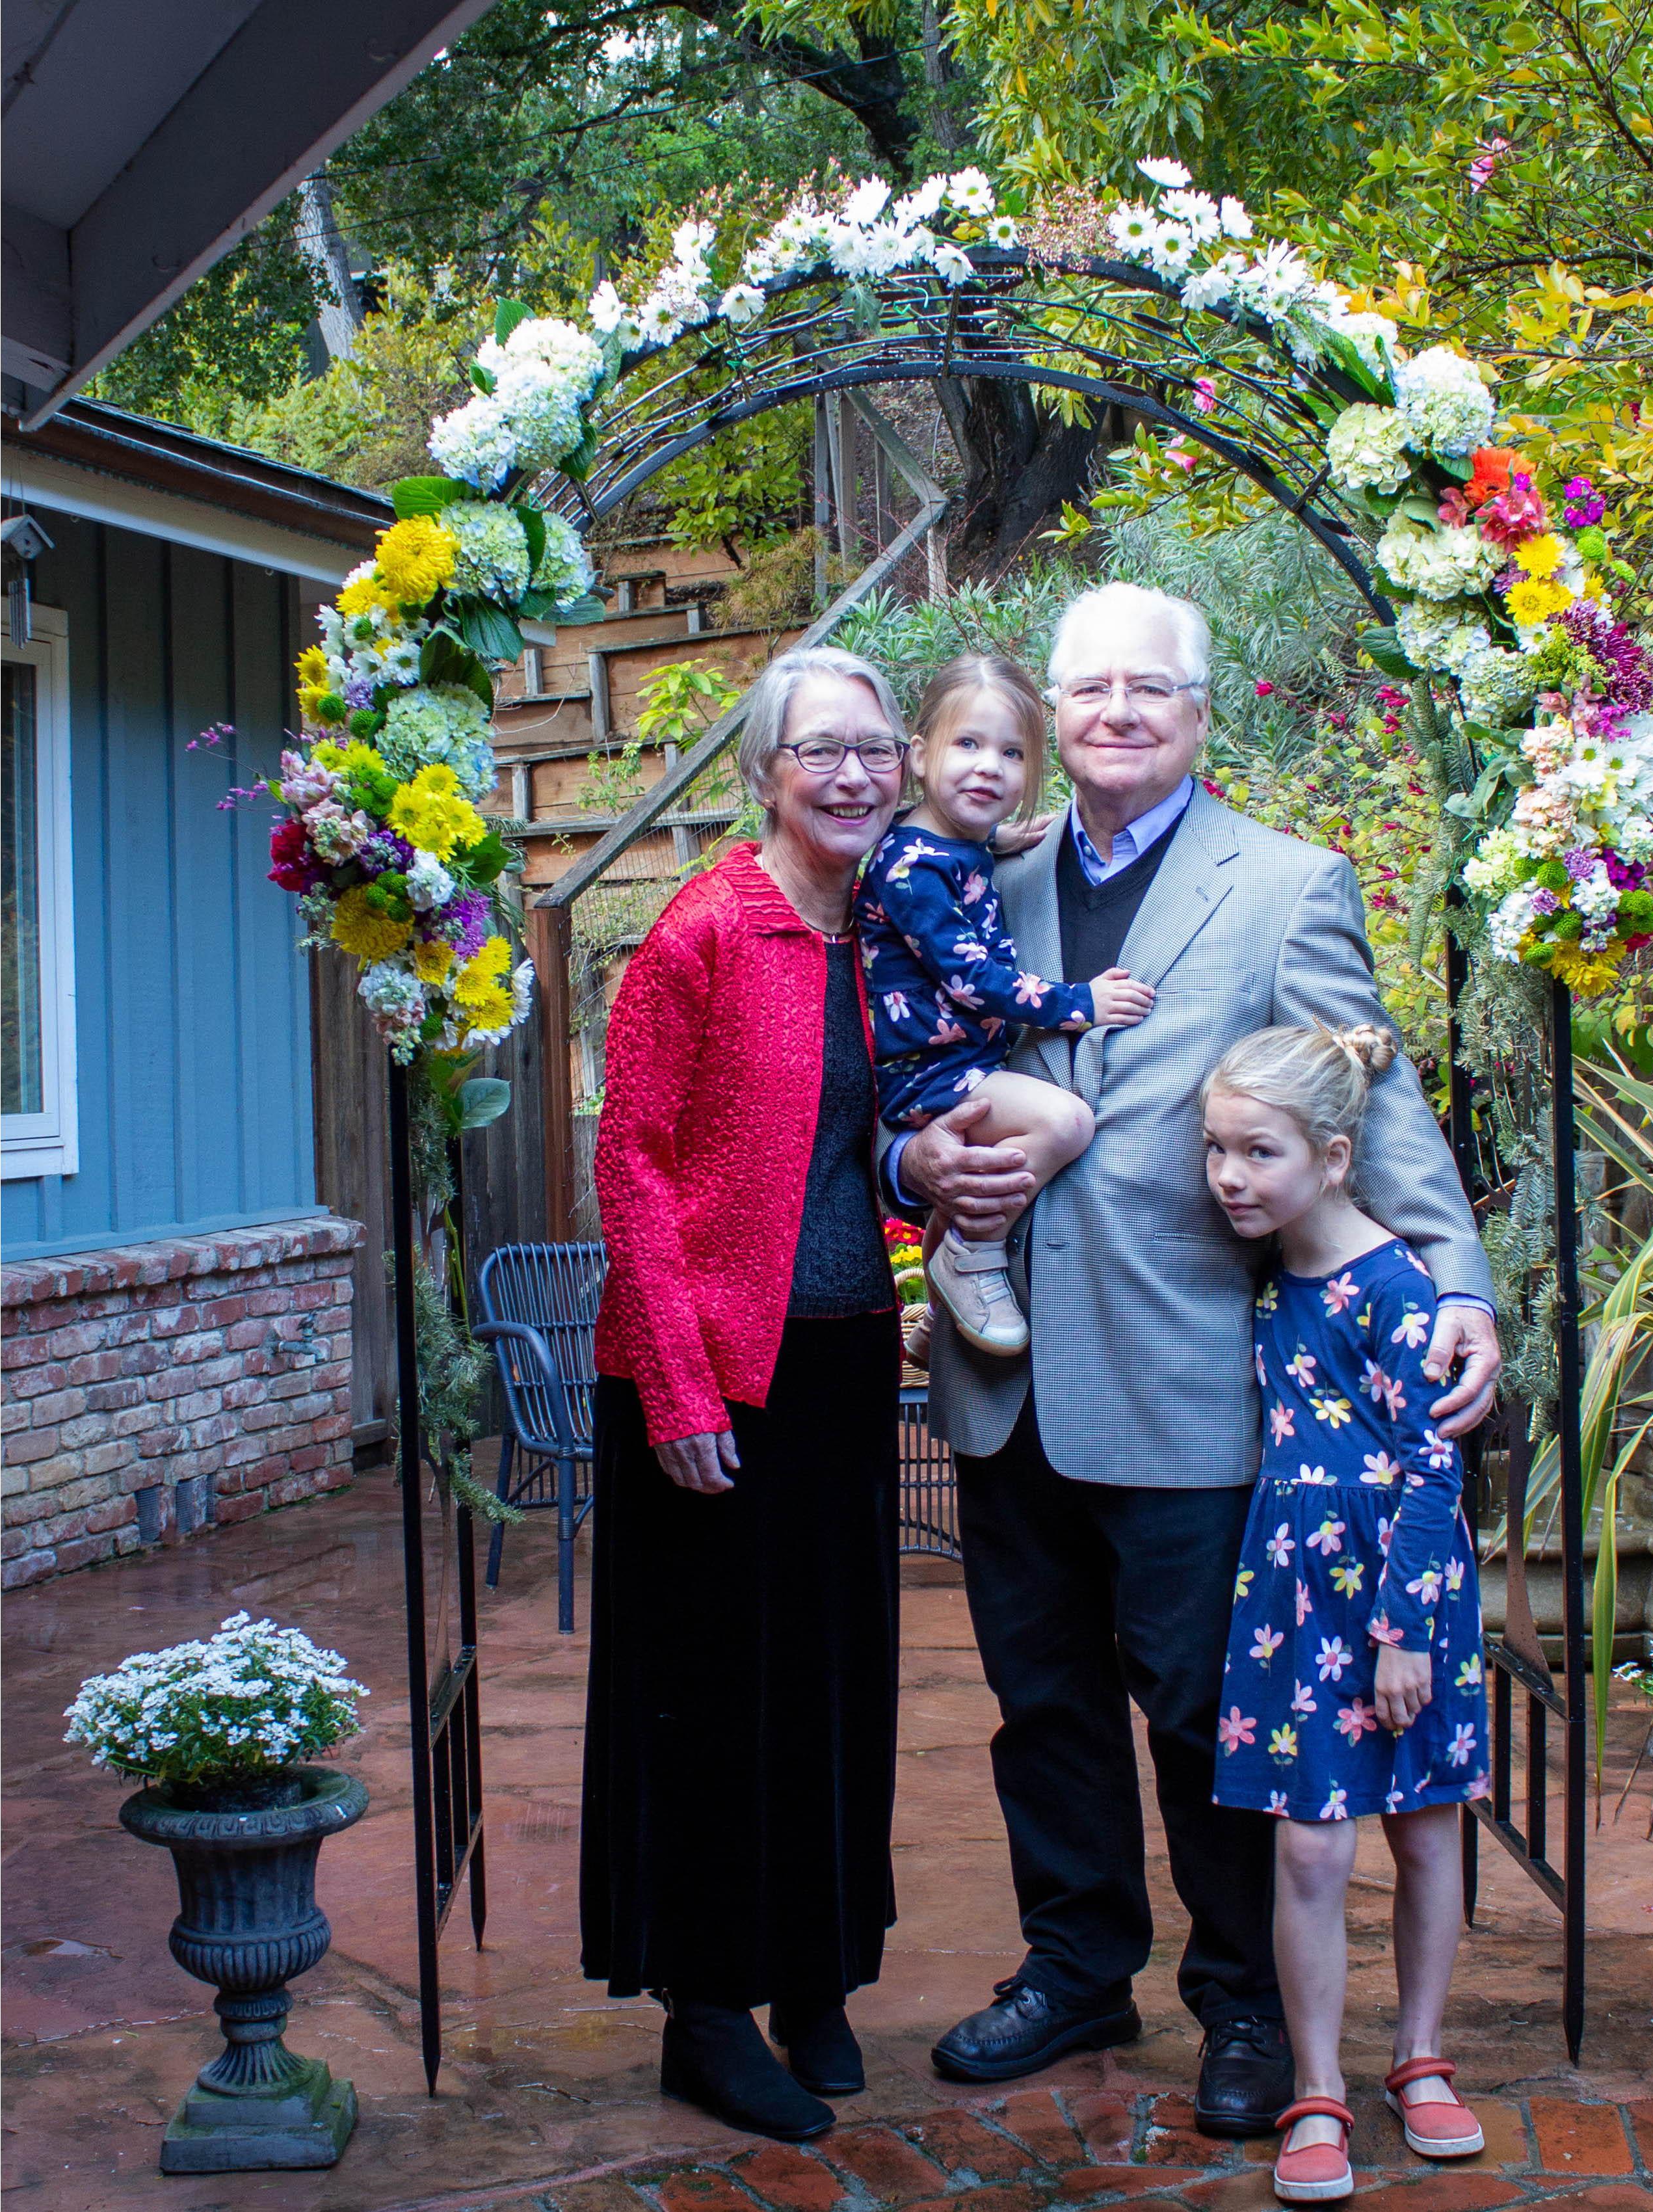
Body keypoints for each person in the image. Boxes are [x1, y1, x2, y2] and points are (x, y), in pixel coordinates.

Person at [887, 582, 1502, 2137]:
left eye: (1146, 690)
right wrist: (913, 1170)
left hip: (1187, 1380)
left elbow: (1369, 1096)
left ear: (1198, 711)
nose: (1111, 713)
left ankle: (1240, 2002)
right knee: (1040, 1700)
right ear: (1050, 705)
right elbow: (904, 1063)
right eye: (1085, 687)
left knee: (1202, 1708)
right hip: (1002, 1364)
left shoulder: (1285, 884)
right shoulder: (977, 871)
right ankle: (1074, 1963)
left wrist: (1458, 1281)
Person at [581, 645, 912, 2145]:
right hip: (712, 1372)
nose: (852, 772)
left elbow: (888, 1139)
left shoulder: (889, 930)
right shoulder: (704, 928)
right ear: (763, 770)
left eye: (873, 746)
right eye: (819, 748)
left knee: (839, 1676)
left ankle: (817, 1975)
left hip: (840, 1359)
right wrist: (674, 1372)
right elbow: (632, 1155)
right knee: (715, 1697)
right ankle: (704, 2010)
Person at [1201, 1025, 1490, 2200]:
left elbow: (1435, 1469)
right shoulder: (1274, 1282)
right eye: (1216, 1148)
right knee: (1310, 1843)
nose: (1228, 1175)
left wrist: (1405, 1630)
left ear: (1330, 1155)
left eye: (1256, 1152)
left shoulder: (1397, 1288)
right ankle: (1314, 2083)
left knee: (1426, 1828)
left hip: (1398, 1602)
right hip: (1291, 1602)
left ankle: (1418, 2055)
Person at [857, 653, 1154, 1353]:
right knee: (1066, 1123)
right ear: (919, 754)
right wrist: (1079, 1002)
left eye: (1011, 751)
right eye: (967, 743)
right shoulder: (910, 867)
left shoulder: (947, 844)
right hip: (931, 1072)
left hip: (957, 1059)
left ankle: (935, 1312)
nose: (989, 765)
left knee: (995, 1163)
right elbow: (972, 979)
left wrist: (996, 839)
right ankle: (971, 1249)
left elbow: (957, 849)